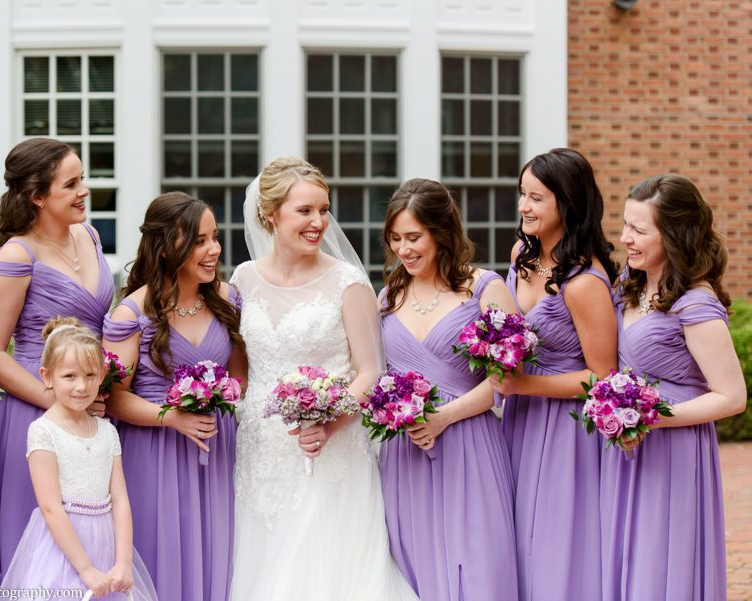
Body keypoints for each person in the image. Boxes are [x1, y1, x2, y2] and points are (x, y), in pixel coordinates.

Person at [229, 157, 417, 601]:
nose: (318, 222)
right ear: (269, 214)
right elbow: (241, 369)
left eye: (323, 210)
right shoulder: (242, 280)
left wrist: (327, 423)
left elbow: (370, 373)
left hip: (330, 451)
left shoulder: (347, 283)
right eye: (305, 211)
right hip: (260, 450)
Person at [600, 174, 745, 601]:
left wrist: (650, 417)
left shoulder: (695, 303)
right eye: (625, 224)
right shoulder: (631, 284)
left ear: (675, 237)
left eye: (640, 230)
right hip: (628, 449)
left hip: (673, 451)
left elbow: (732, 397)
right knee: (629, 561)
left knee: (663, 567)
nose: (625, 238)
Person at [379, 179, 518, 601]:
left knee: (478, 567)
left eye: (414, 237)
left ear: (441, 232)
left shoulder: (484, 289)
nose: (404, 249)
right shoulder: (386, 297)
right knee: (413, 565)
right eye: (396, 239)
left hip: (469, 445)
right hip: (405, 456)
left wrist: (444, 417)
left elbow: (506, 380)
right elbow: (377, 375)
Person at [490, 148, 619, 601]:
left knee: (555, 544)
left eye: (536, 198)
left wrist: (524, 384)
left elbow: (603, 376)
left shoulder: (584, 283)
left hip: (566, 434)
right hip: (518, 421)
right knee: (514, 537)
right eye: (522, 194)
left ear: (567, 203)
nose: (524, 206)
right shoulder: (519, 257)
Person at [102, 192, 245, 601]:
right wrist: (172, 416)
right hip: (155, 452)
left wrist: (223, 401)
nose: (213, 249)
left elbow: (239, 375)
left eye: (214, 237)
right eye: (199, 241)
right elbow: (114, 398)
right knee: (163, 559)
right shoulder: (132, 313)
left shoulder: (227, 299)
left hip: (217, 450)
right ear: (168, 246)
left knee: (219, 558)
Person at [0, 138, 115, 572]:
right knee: (38, 543)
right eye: (71, 184)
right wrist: (58, 401)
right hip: (35, 412)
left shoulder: (89, 235)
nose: (84, 191)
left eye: (83, 179)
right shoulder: (17, 256)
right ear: (37, 197)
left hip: (90, 404)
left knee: (94, 531)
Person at [0, 317, 158, 600]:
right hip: (64, 549)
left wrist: (122, 562)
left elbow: (120, 500)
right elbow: (50, 508)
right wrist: (86, 570)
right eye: (69, 376)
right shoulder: (43, 432)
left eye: (89, 375)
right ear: (47, 377)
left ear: (101, 375)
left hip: (107, 545)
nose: (81, 386)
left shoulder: (107, 432)